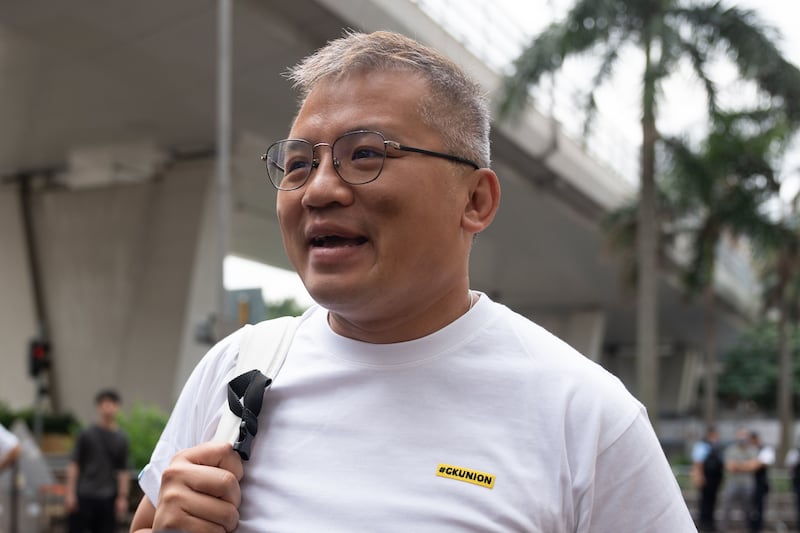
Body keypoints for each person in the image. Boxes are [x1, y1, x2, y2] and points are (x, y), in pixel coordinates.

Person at [130, 30, 694, 532]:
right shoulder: (236, 370)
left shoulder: (585, 416)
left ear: (475, 200)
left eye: (366, 154)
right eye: (300, 163)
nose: (319, 190)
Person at [66, 389, 130, 533]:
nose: (108, 408)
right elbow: (74, 464)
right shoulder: (86, 434)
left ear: (117, 407)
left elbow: (123, 470)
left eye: (111, 404)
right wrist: (70, 493)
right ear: (98, 407)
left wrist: (122, 497)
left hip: (107, 497)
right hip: (84, 494)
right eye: (104, 404)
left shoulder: (121, 438)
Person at [720, 428, 759, 532]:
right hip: (732, 484)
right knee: (726, 508)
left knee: (748, 510)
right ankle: (723, 529)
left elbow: (754, 466)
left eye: (744, 436)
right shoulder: (730, 450)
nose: (742, 439)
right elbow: (729, 467)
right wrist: (745, 465)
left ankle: (747, 529)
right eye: (740, 436)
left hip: (748, 485)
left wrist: (737, 465)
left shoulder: (753, 449)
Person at [691, 426, 724, 531]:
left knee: (712, 502)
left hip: (715, 478)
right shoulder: (702, 445)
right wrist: (699, 476)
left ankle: (710, 524)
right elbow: (698, 463)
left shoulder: (717, 447)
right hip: (706, 477)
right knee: (704, 502)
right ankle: (703, 524)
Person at [746, 431, 773, 533]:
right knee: (749, 507)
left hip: (760, 484)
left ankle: (757, 528)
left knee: (758, 507)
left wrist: (743, 465)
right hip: (748, 484)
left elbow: (759, 464)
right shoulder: (750, 449)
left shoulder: (765, 449)